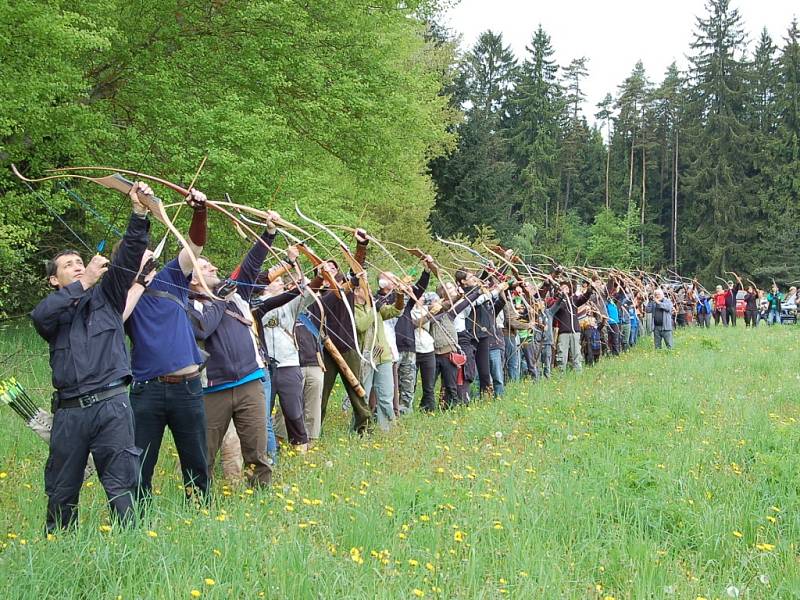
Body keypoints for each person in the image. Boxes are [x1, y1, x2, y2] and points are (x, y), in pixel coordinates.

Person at [31, 182, 151, 532]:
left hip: (111, 404)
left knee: (121, 484)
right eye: (69, 265)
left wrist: (139, 213)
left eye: (81, 262)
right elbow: (40, 316)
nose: (78, 266)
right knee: (61, 489)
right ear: (55, 280)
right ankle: (59, 547)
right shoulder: (52, 313)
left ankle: (129, 548)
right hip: (69, 412)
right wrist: (82, 286)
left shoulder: (110, 296)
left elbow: (129, 257)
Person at [124, 187, 211, 502]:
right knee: (139, 463)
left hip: (186, 387)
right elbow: (116, 317)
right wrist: (136, 283)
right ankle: (137, 519)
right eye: (139, 254)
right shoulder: (121, 293)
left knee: (196, 460)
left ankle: (198, 512)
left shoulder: (171, 276)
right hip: (147, 389)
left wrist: (198, 210)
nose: (148, 256)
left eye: (148, 253)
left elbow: (195, 247)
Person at [188, 213, 285, 487]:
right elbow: (202, 330)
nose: (213, 268)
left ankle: (261, 493)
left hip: (249, 381)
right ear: (193, 279)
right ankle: (198, 498)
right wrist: (218, 299)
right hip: (213, 388)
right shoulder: (189, 304)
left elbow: (251, 265)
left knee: (256, 449)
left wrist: (268, 234)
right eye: (205, 267)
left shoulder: (236, 294)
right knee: (204, 451)